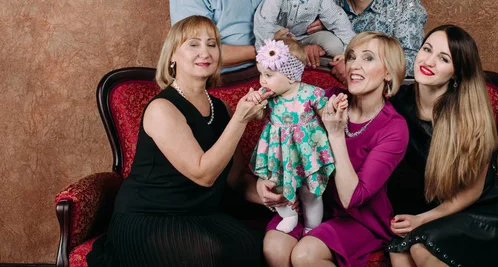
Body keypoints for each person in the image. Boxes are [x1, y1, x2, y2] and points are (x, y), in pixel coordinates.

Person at [87, 16, 284, 267]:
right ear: (172, 56)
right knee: (211, 254)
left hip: (200, 214)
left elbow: (236, 177)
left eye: (212, 44)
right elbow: (204, 174)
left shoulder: (219, 108)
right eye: (193, 44)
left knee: (250, 245)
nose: (205, 52)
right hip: (148, 217)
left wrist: (263, 193)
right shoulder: (162, 108)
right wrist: (240, 120)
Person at [259, 32, 410, 267]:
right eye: (351, 56)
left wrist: (336, 134)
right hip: (310, 202)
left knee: (305, 256)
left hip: (358, 218)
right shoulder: (326, 98)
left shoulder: (394, 128)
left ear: (389, 71)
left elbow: (353, 199)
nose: (354, 66)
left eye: (368, 58)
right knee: (275, 250)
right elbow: (282, 143)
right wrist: (264, 183)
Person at [387, 25, 498, 267]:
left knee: (421, 247)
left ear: (456, 73)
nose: (429, 61)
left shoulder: (470, 117)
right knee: (398, 250)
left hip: (481, 212)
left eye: (444, 58)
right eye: (427, 49)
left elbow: (472, 192)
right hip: (435, 208)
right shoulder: (397, 103)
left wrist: (421, 219)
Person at [248, 38, 335, 234]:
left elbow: (328, 118)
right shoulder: (269, 96)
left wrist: (334, 111)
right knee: (275, 186)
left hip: (305, 154)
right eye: (261, 74)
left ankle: (312, 227)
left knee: (310, 191)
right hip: (278, 152)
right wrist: (255, 103)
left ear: (291, 76)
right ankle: (289, 215)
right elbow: (259, 115)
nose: (262, 80)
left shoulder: (311, 93)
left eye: (268, 75)